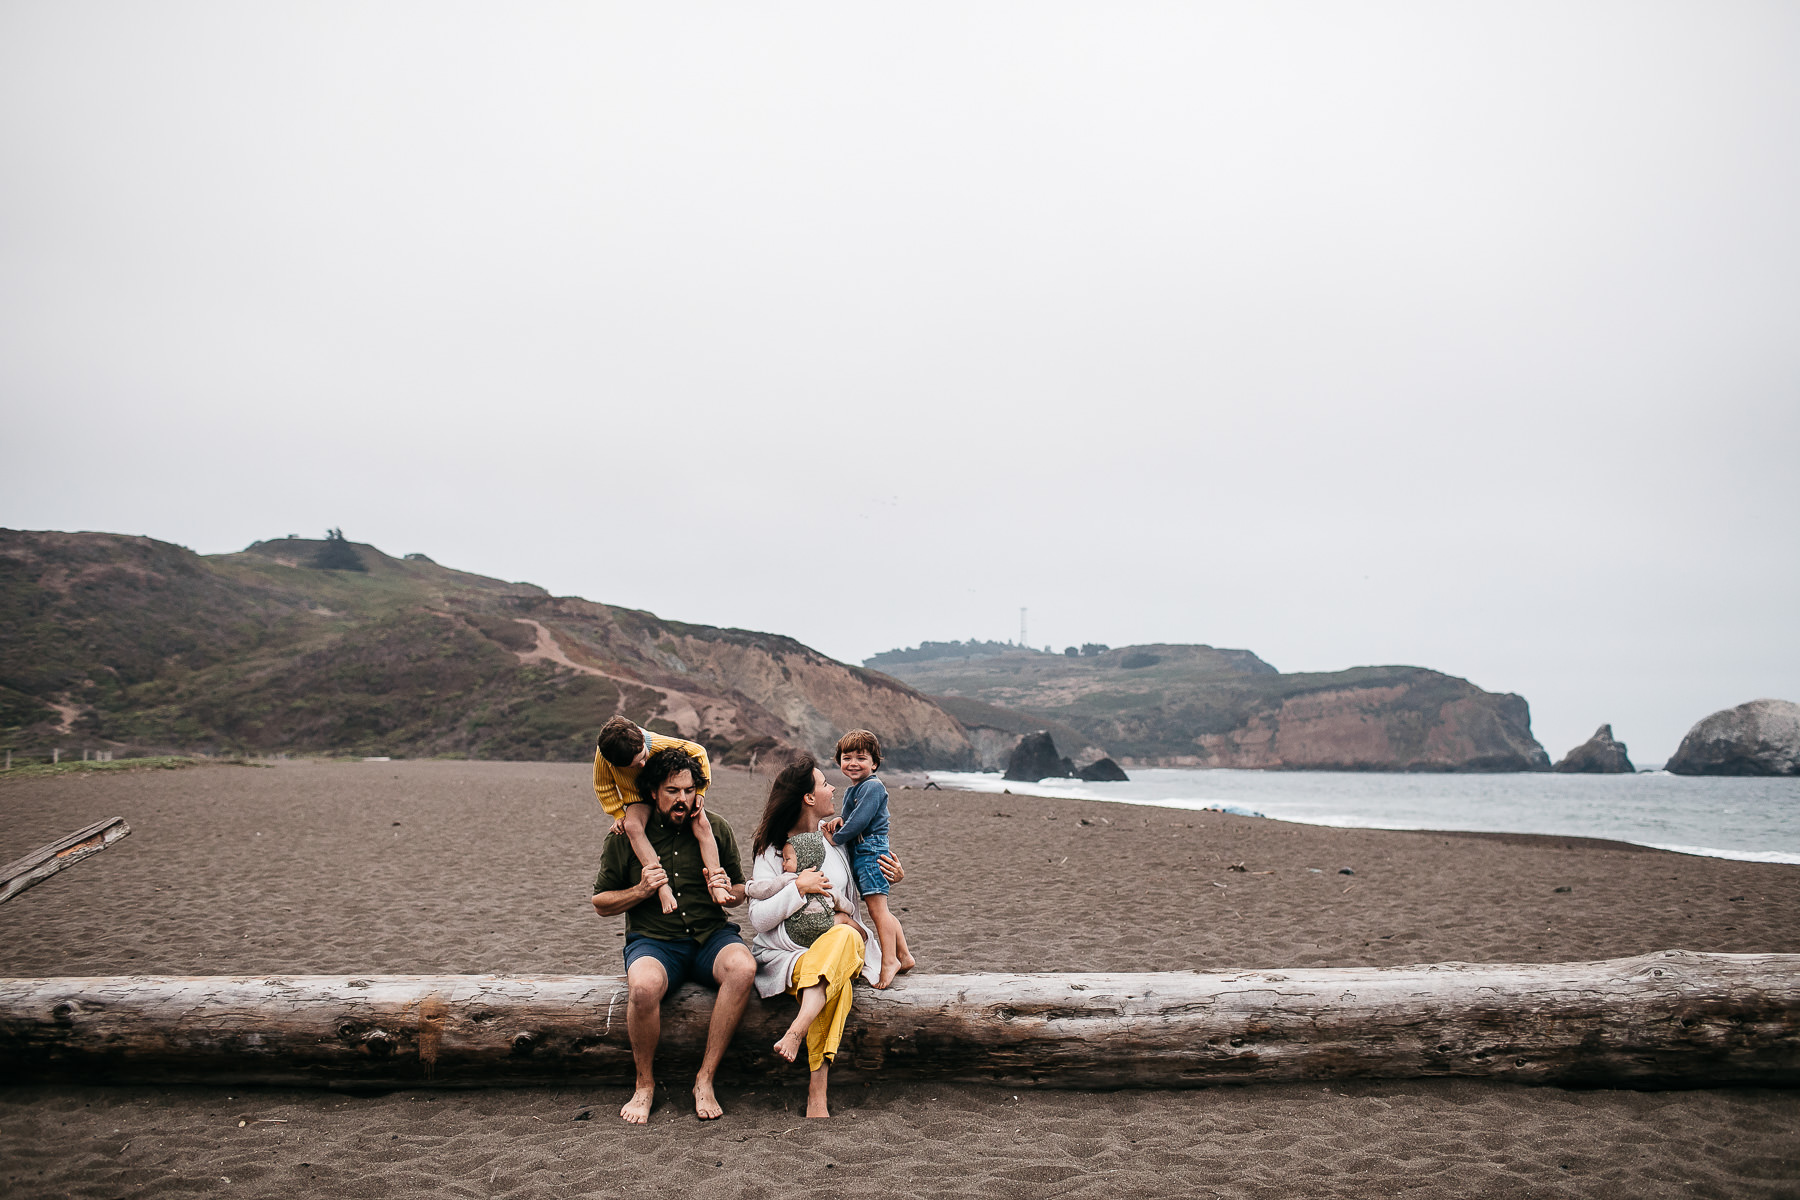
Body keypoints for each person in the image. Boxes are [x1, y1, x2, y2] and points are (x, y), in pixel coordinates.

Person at [590, 746, 753, 1123]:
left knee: (743, 968)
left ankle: (705, 1078)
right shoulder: (625, 836)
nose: (683, 799)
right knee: (643, 986)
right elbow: (600, 903)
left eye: (688, 790)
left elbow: (741, 893)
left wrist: (728, 888)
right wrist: (641, 891)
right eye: (672, 791)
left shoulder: (716, 828)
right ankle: (644, 1085)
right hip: (654, 942)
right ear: (652, 792)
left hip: (710, 938)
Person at [746, 753, 903, 1119]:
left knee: (846, 941)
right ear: (808, 798)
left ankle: (797, 1031)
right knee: (839, 978)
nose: (833, 788)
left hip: (835, 945)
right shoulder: (772, 850)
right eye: (824, 783)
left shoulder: (837, 839)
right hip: (790, 956)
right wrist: (797, 888)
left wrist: (892, 876)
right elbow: (758, 919)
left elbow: (863, 891)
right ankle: (818, 1091)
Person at [594, 715, 734, 913]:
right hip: (636, 798)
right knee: (632, 827)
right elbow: (603, 785)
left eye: (643, 756)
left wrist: (701, 791)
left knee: (701, 822)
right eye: (634, 765)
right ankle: (661, 886)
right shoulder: (605, 755)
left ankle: (716, 881)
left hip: (667, 790)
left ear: (642, 741)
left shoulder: (653, 741)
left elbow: (699, 752)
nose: (642, 764)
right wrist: (617, 813)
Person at [826, 729, 914, 987]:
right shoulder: (856, 789)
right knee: (881, 909)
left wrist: (836, 838)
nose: (853, 763)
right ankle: (905, 955)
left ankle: (890, 960)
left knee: (878, 911)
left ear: (874, 763)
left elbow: (860, 821)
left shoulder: (873, 786)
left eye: (861, 758)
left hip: (871, 851)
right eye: (847, 757)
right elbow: (850, 817)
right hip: (864, 851)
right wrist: (841, 821)